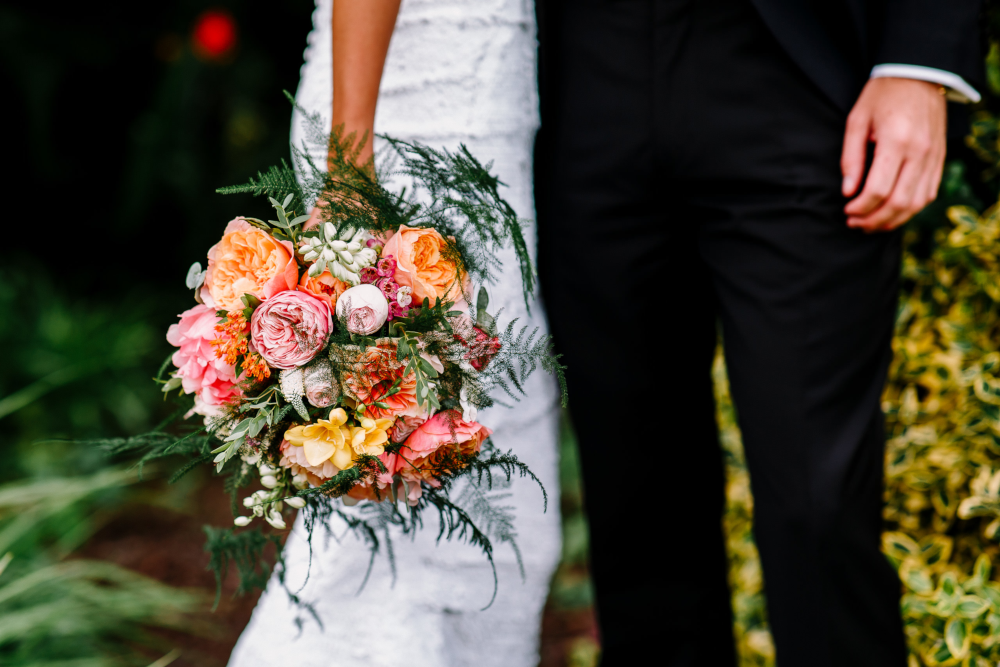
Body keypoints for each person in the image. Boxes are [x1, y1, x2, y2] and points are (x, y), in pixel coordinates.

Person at [533, 0, 982, 665]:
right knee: (634, 508)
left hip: (789, 71)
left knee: (818, 506)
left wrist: (920, 58)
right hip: (588, 78)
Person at [226, 1, 562, 666]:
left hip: (479, 112)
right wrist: (350, 167)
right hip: (411, 127)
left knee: (464, 491)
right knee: (402, 506)